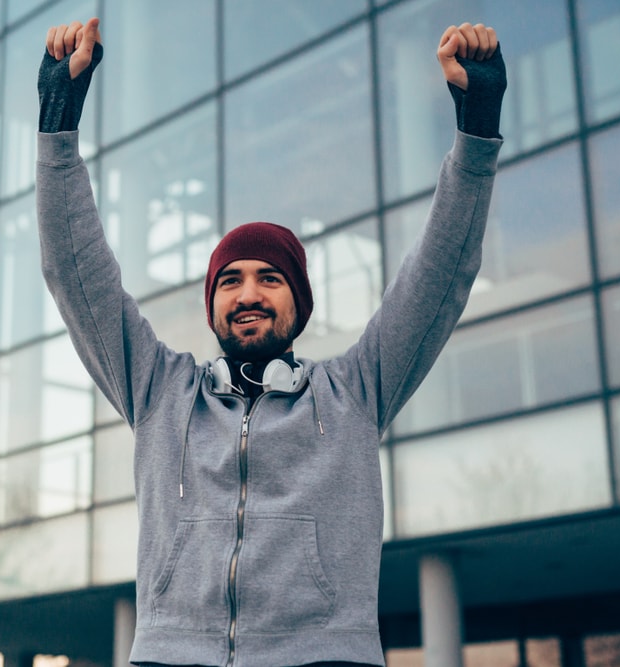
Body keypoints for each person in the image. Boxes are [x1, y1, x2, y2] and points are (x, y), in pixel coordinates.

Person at [36, 16, 506, 667]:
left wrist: (477, 127)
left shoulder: (356, 392)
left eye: (269, 277)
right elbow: (74, 269)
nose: (249, 292)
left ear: (300, 302)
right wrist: (57, 124)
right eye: (230, 280)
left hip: (324, 656)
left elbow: (441, 273)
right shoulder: (159, 391)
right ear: (213, 305)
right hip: (173, 654)